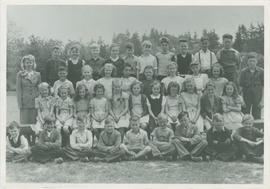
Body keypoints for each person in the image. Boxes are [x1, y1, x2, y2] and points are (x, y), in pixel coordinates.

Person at [16, 55, 41, 125]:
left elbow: (39, 89)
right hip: (24, 101)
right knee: (24, 122)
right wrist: (20, 103)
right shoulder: (20, 74)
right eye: (27, 62)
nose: (29, 64)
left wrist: (39, 100)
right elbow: (18, 90)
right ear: (23, 64)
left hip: (35, 100)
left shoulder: (38, 74)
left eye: (31, 62)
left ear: (33, 63)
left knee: (34, 123)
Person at [239, 53, 264, 119]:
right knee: (244, 116)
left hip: (257, 97)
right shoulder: (243, 72)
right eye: (250, 61)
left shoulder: (261, 71)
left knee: (257, 117)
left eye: (253, 61)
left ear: (256, 62)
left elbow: (264, 87)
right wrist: (242, 100)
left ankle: (256, 129)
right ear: (247, 62)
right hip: (246, 97)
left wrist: (262, 101)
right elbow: (241, 87)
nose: (252, 63)